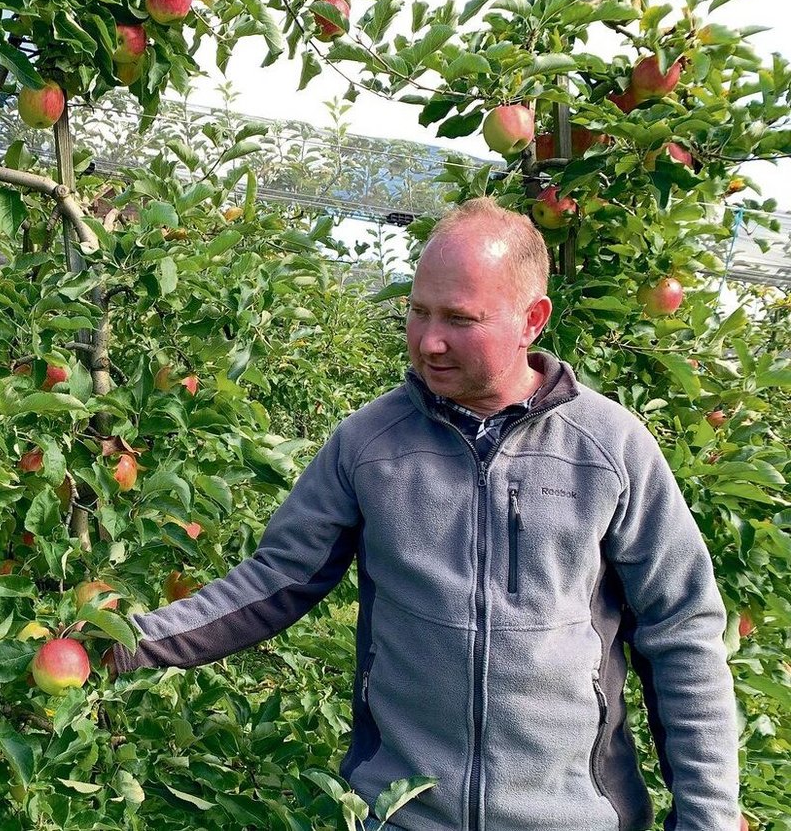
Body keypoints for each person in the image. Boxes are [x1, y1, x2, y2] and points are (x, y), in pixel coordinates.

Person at [111, 197, 739, 830]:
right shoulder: (371, 444)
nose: (429, 340)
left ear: (532, 320)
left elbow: (681, 631)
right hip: (403, 815)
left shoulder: (608, 448)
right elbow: (276, 580)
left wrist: (709, 817)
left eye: (460, 319)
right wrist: (123, 643)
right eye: (419, 312)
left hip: (574, 817)